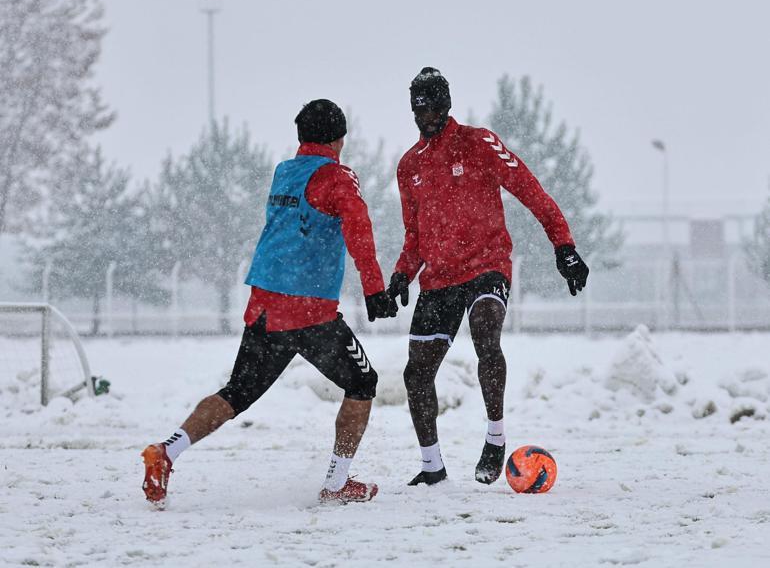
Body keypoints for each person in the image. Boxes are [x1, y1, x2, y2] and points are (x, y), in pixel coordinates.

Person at [142, 99, 397, 507]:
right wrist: (374, 289)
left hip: (263, 305)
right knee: (363, 382)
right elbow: (359, 230)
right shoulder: (338, 176)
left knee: (235, 393)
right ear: (340, 139)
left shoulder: (284, 173)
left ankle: (166, 452)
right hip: (308, 310)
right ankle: (336, 484)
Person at [388, 68, 589, 486]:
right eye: (417, 110)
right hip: (439, 278)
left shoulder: (477, 142)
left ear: (447, 105)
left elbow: (530, 189)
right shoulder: (409, 166)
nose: (425, 117)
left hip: (486, 264)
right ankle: (432, 469)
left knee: (485, 331)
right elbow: (414, 236)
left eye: (432, 108)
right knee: (416, 373)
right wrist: (400, 276)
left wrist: (563, 245)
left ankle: (495, 438)